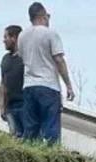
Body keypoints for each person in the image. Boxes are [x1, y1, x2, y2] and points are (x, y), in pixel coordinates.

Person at [17, 2, 75, 144]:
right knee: (51, 128)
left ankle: (30, 154)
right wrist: (68, 85)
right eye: (48, 15)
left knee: (30, 130)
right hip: (48, 86)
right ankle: (51, 154)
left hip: (29, 86)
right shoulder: (50, 33)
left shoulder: (22, 36)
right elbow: (59, 60)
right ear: (43, 15)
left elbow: (22, 59)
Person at [0, 25, 25, 138]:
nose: (4, 40)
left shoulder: (26, 57)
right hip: (10, 106)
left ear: (14, 38)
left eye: (6, 37)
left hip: (25, 104)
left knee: (29, 136)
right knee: (14, 135)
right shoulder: (6, 59)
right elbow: (3, 83)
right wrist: (2, 105)